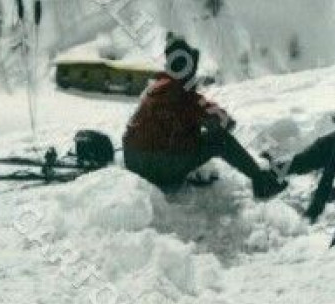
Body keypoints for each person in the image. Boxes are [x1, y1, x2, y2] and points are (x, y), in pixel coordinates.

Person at [122, 36, 286, 198]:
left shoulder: (158, 86)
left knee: (191, 137)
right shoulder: (183, 93)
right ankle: (261, 182)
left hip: (133, 161)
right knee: (220, 140)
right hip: (155, 168)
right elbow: (224, 122)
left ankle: (189, 170)